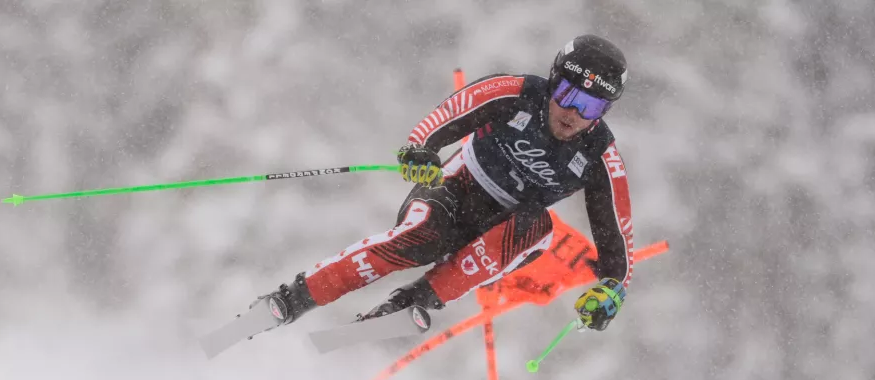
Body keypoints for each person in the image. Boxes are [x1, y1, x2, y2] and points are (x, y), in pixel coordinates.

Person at [260, 34, 634, 332]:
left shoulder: (602, 157)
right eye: (568, 95)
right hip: (458, 188)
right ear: (553, 83)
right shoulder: (516, 93)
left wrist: (610, 292)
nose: (574, 113)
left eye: (592, 107)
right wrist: (420, 150)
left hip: (504, 229)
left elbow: (618, 242)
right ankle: (295, 298)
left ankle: (410, 302)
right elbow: (447, 115)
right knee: (422, 238)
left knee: (539, 227)